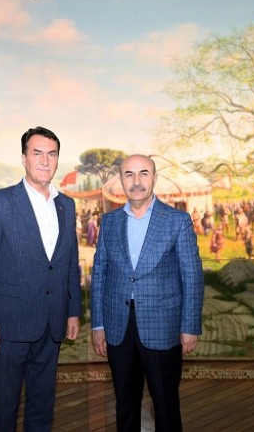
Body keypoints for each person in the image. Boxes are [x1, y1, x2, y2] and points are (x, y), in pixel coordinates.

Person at [0, 126, 82, 431]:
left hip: (52, 324)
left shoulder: (67, 205)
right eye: (37, 153)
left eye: (52, 154)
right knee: (5, 407)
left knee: (43, 404)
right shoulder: (0, 202)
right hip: (8, 327)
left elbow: (69, 263)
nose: (45, 161)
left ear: (57, 159)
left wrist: (73, 311)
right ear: (24, 158)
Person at [90, 154, 205, 432]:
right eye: (129, 174)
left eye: (144, 173)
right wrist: (98, 324)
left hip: (163, 327)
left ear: (154, 178)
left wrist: (189, 326)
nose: (137, 181)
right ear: (121, 180)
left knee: (165, 405)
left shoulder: (177, 221)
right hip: (118, 328)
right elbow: (100, 274)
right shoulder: (109, 222)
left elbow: (192, 276)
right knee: (125, 404)